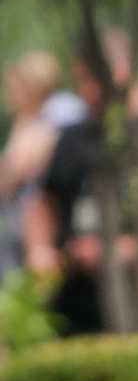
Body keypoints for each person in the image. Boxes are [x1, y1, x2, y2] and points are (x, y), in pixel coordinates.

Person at [24, 30, 138, 335]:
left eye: (94, 78)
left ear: (126, 71)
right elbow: (43, 204)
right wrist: (40, 249)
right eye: (81, 80)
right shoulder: (73, 138)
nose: (88, 91)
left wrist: (120, 251)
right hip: (70, 316)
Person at [0, 52, 85, 275]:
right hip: (23, 217)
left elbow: (16, 167)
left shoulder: (62, 109)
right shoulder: (29, 117)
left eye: (14, 87)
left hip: (49, 218)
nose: (9, 95)